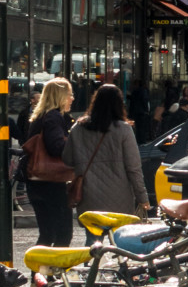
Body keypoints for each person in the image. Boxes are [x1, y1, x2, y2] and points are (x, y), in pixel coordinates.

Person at [64, 85, 150, 218]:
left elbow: (67, 159)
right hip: (119, 196)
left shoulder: (78, 128)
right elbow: (134, 167)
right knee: (118, 237)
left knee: (92, 235)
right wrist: (142, 197)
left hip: (88, 194)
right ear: (119, 104)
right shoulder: (124, 129)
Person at [21, 77, 76, 246]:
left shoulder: (40, 116)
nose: (72, 98)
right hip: (51, 183)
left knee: (47, 234)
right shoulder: (54, 117)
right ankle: (53, 271)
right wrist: (72, 141)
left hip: (37, 182)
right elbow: (56, 147)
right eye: (69, 94)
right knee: (62, 234)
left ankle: (39, 271)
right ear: (59, 96)